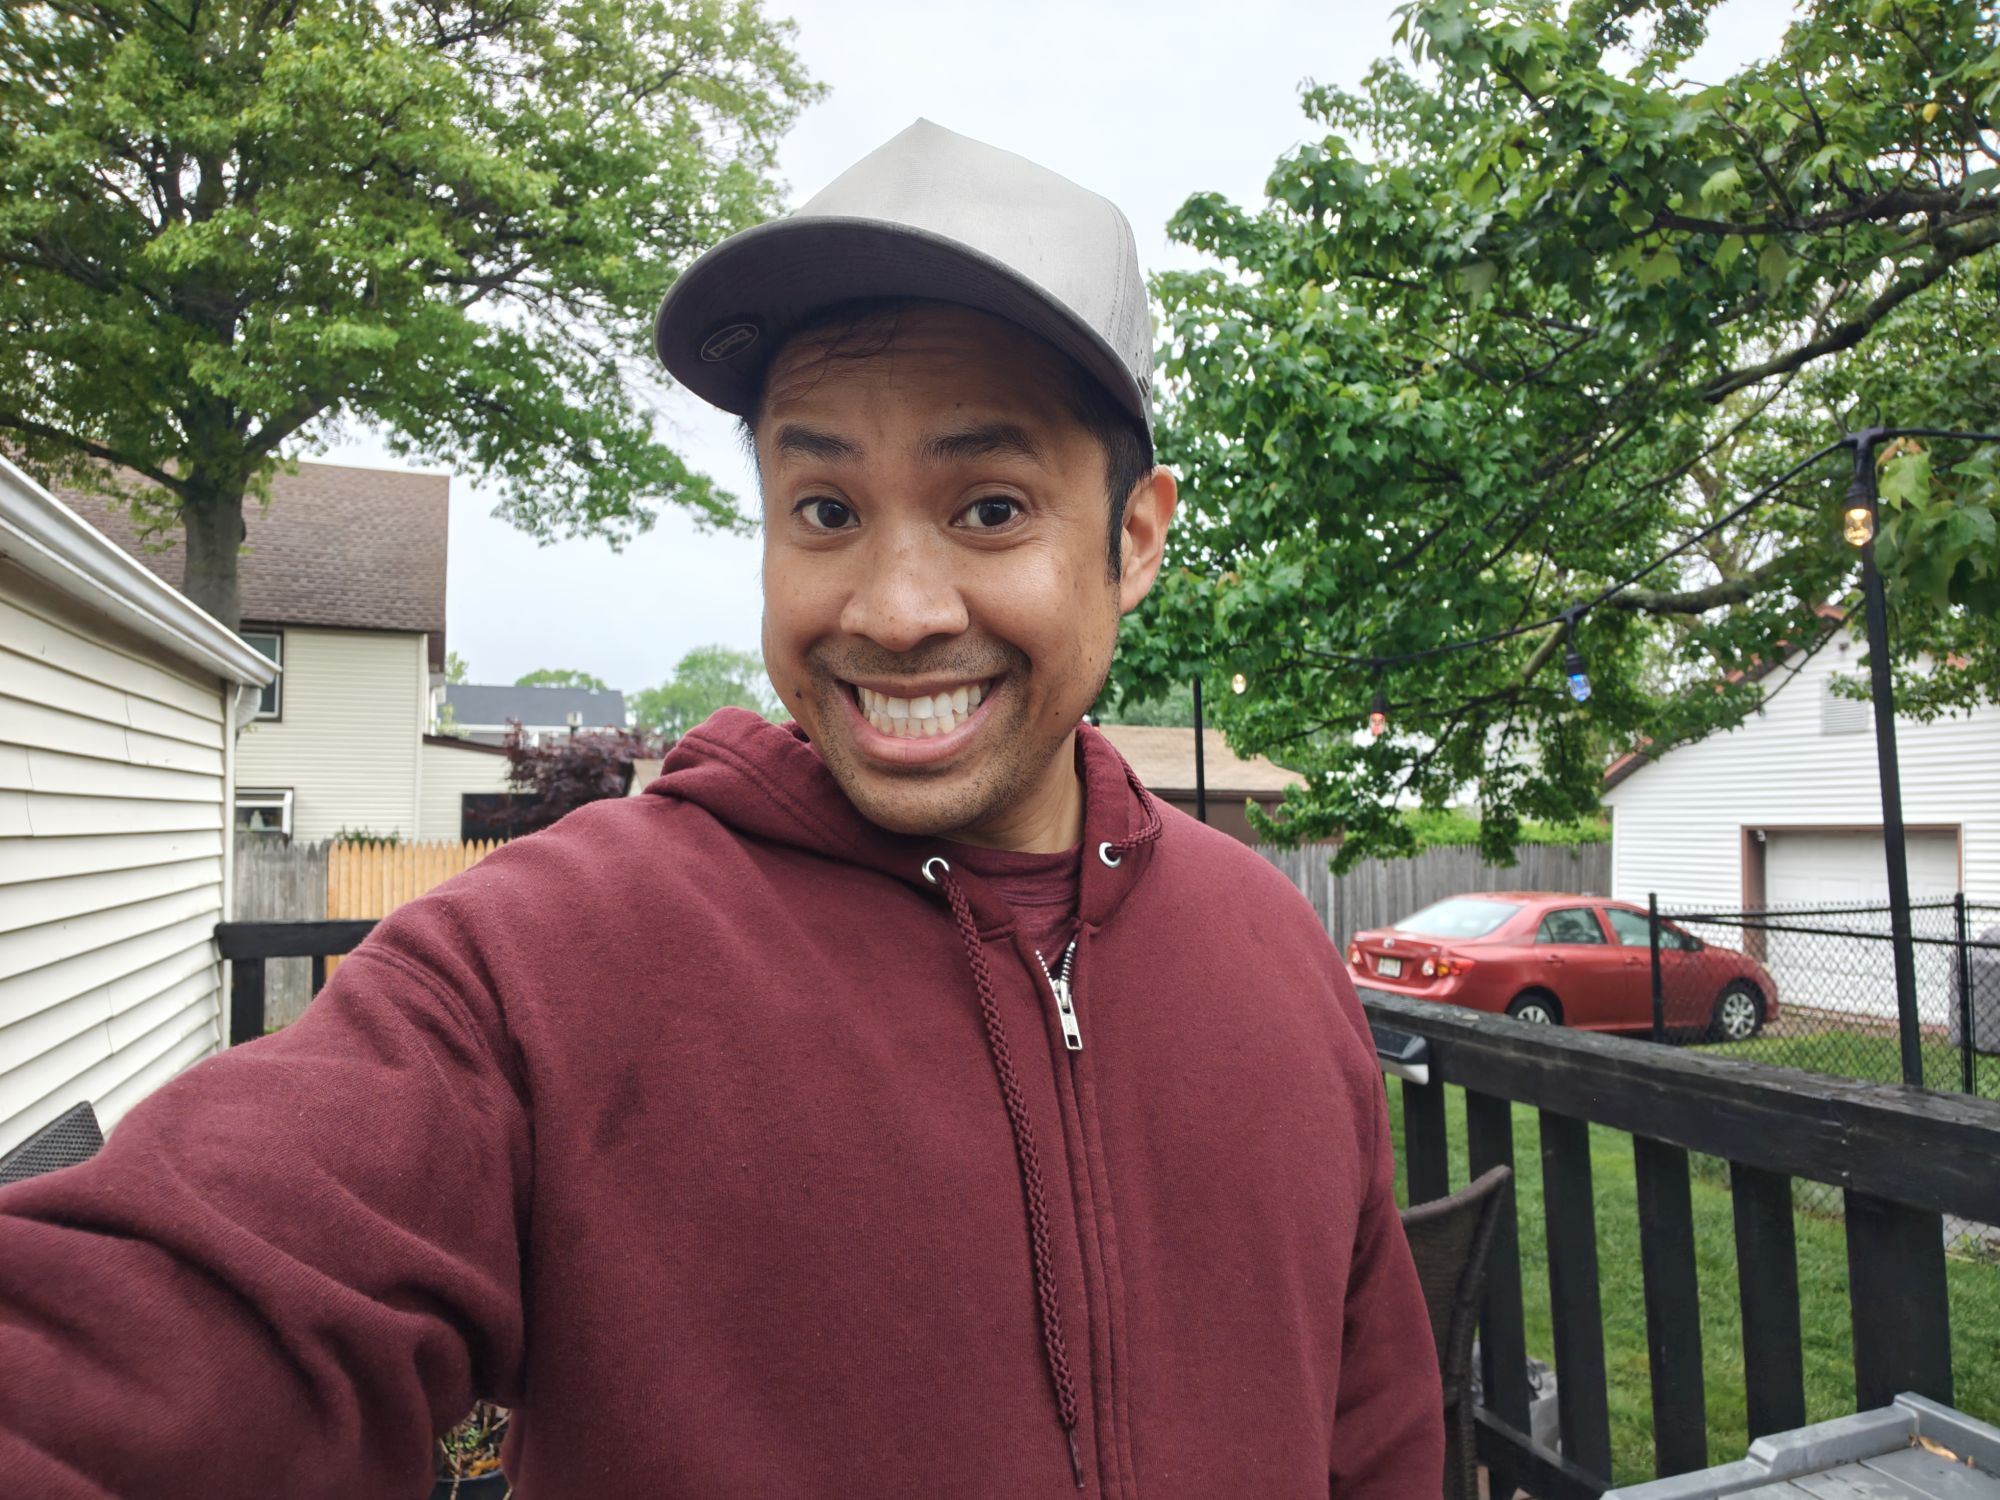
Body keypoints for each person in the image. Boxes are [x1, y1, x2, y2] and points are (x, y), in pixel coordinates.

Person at [0, 120, 1441, 1497]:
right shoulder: (547, 964)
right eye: (826, 510)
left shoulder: (1274, 951)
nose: (894, 611)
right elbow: (160, 1334)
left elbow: (1371, 1441)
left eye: (990, 507)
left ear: (1133, 537)